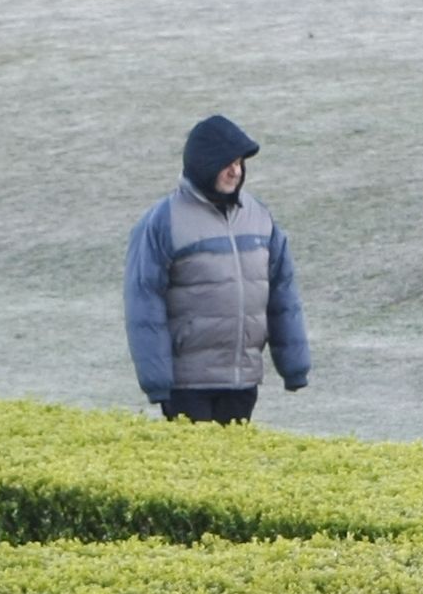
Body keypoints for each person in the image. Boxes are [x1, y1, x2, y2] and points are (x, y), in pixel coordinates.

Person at [125, 113, 311, 422]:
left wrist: (295, 367)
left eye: (240, 163)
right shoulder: (163, 221)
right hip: (187, 385)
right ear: (205, 164)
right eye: (228, 163)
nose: (236, 171)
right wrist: (157, 382)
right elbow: (143, 304)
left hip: (242, 380)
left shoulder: (259, 216)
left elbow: (283, 294)